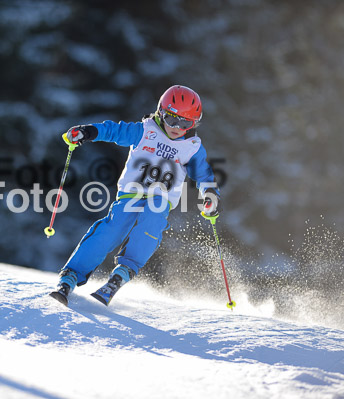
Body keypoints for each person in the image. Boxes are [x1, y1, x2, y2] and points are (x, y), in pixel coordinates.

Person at [49, 85, 221, 306]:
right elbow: (114, 131)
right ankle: (70, 276)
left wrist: (209, 195)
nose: (177, 127)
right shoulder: (145, 130)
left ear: (194, 123)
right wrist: (88, 132)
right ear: (161, 112)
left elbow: (204, 174)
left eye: (185, 123)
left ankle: (123, 271)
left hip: (161, 198)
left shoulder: (192, 147)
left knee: (152, 222)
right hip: (131, 194)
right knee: (111, 228)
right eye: (172, 120)